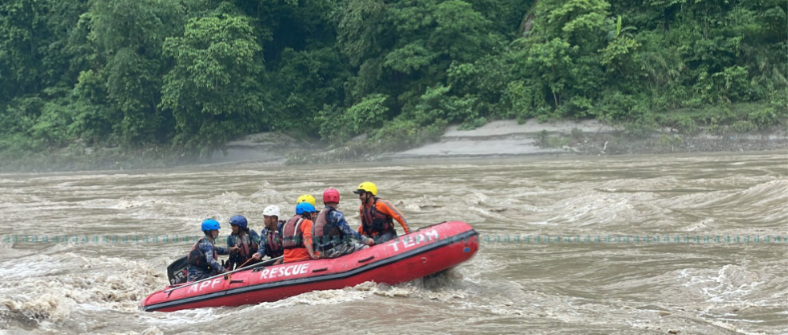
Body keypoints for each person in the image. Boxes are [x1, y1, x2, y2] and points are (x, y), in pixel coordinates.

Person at [313, 188, 374, 259]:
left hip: (322, 251)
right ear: (337, 200)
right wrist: (366, 240)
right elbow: (349, 232)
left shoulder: (318, 215)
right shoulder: (337, 214)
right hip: (334, 250)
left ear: (324, 200)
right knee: (365, 247)